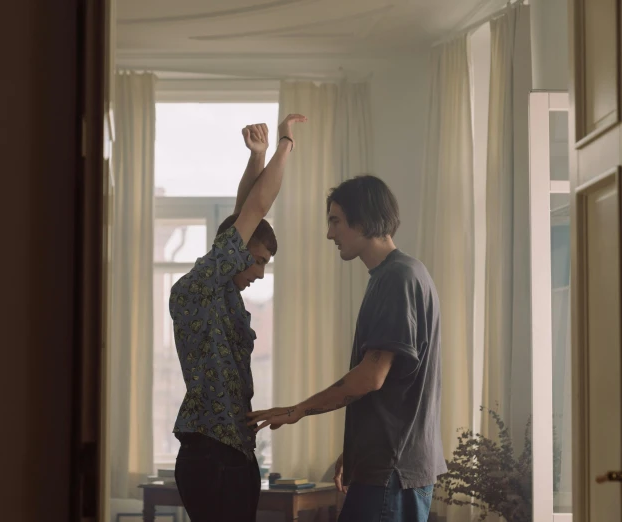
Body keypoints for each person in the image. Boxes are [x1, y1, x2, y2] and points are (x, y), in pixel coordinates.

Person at [247, 175, 445, 522]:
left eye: (335, 221)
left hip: (392, 472)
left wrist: (296, 410)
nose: (329, 233)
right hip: (387, 467)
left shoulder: (398, 279)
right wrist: (354, 452)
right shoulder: (396, 275)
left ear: (364, 220)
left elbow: (371, 376)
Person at [169, 114, 307, 522]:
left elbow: (243, 211)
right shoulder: (200, 287)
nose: (261, 273)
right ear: (240, 253)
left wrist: (257, 156)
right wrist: (285, 143)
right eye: (260, 262)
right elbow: (255, 209)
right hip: (211, 456)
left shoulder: (222, 289)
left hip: (233, 453)